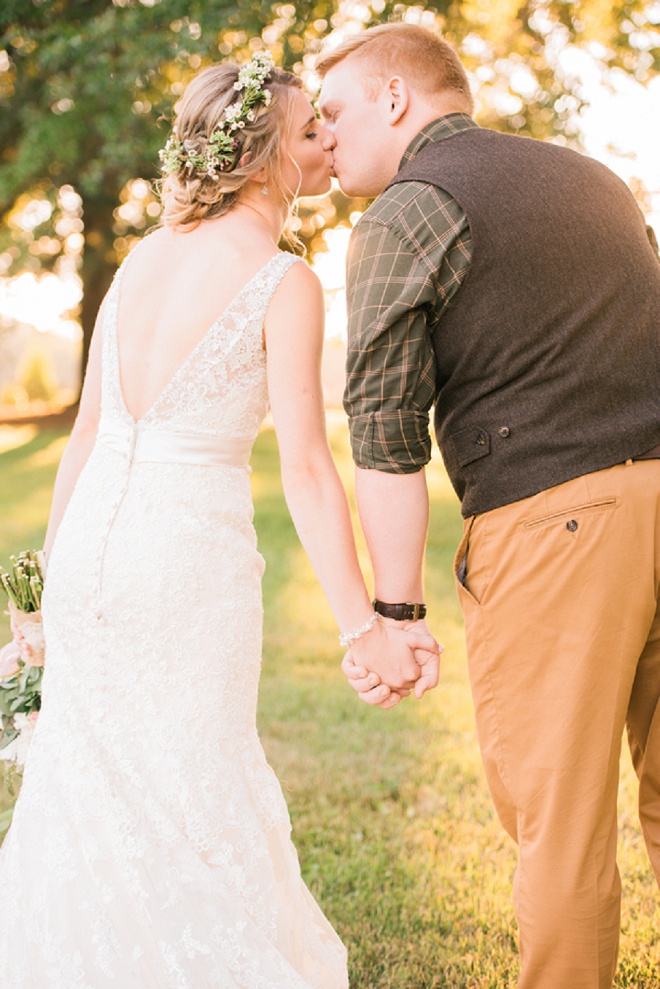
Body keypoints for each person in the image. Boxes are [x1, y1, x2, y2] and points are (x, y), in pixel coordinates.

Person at [0, 52, 440, 988]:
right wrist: (364, 624)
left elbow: (86, 439)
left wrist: (45, 580)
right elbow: (310, 471)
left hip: (93, 555)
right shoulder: (285, 279)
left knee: (91, 777)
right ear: (265, 159)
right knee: (194, 776)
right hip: (186, 560)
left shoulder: (142, 260)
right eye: (309, 133)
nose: (327, 143)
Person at [316, 22, 660, 989]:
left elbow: (385, 425)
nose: (327, 137)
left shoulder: (404, 212)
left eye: (336, 112)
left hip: (557, 529)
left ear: (396, 99)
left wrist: (394, 614)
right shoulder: (594, 176)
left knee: (560, 822)